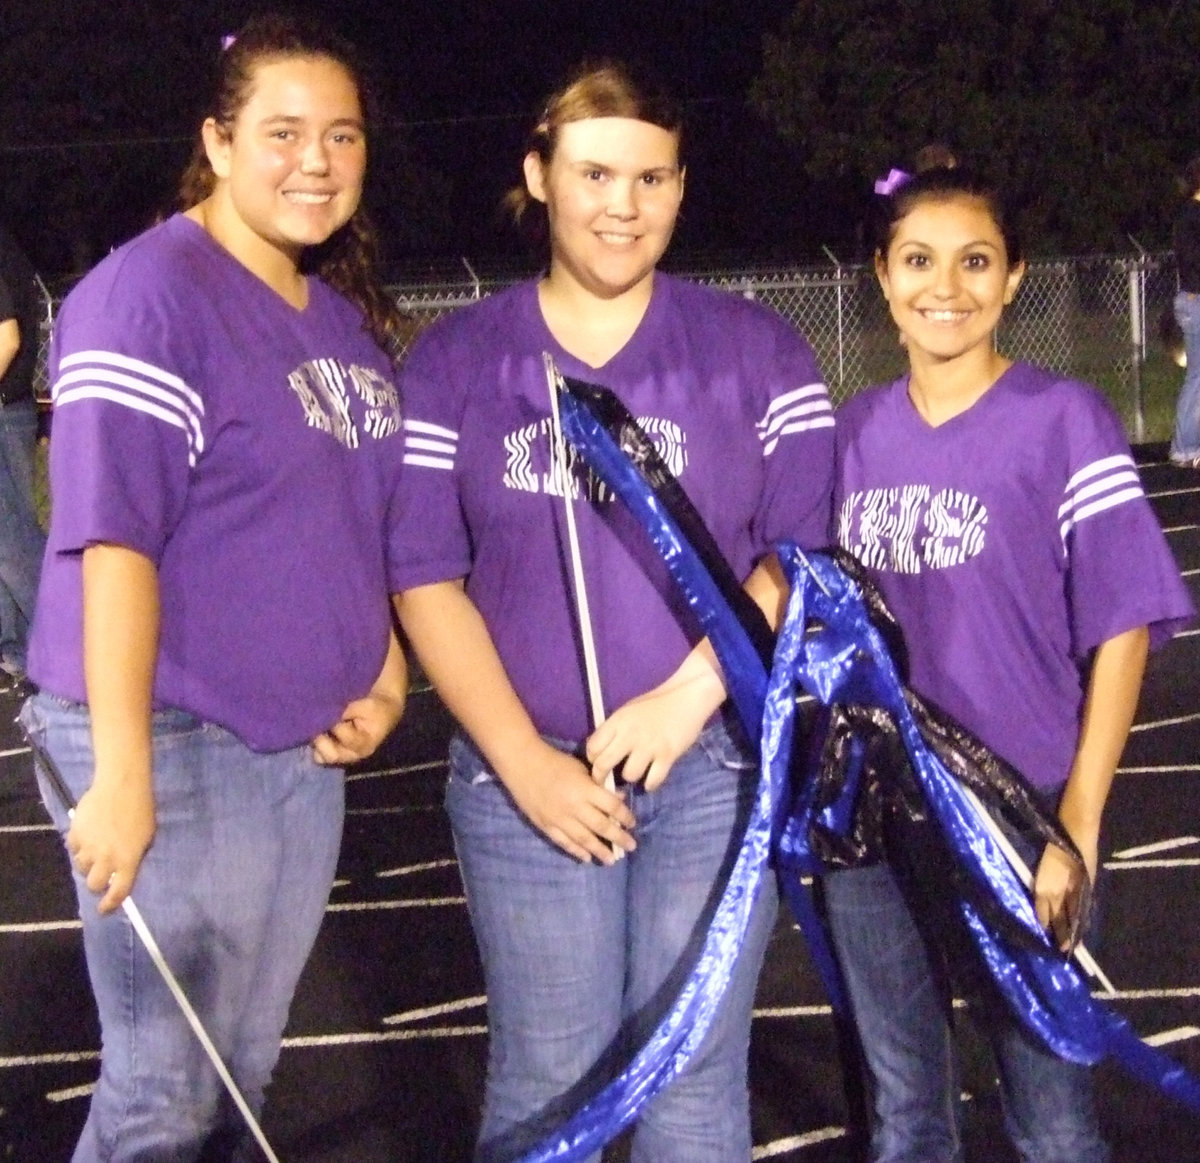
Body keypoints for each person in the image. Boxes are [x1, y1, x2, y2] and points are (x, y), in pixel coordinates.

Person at [390, 60, 834, 1162]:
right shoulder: (455, 362)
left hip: (715, 762)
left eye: (651, 177)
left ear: (681, 188)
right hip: (525, 768)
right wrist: (524, 763)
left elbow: (799, 555)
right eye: (595, 173)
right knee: (552, 1076)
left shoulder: (760, 352)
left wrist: (687, 700)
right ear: (539, 175)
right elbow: (422, 573)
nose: (622, 205)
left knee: (690, 1072)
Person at [19, 14, 409, 1160]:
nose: (317, 160)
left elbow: (361, 527)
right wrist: (126, 776)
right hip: (177, 738)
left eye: (342, 136)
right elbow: (114, 543)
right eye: (283, 131)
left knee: (239, 1074)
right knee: (163, 1094)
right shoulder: (147, 296)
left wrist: (382, 677)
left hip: (299, 752)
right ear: (218, 140)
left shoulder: (337, 319)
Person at [822, 163, 1194, 1162]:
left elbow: (1121, 624)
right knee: (907, 1114)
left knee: (1053, 1117)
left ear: (1014, 276)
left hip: (1018, 808)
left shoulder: (1063, 419)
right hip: (878, 810)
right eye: (919, 260)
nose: (947, 285)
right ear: (884, 276)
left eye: (976, 260)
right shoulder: (848, 436)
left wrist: (1076, 820)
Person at [0, 225, 46, 687]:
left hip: (3, 413)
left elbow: (6, 337)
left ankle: (54, 648)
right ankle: (15, 648)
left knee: (12, 540)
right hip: (11, 411)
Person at [1170, 156, 1200, 467]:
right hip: (1196, 300)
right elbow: (1192, 263)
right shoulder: (1192, 216)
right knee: (1197, 376)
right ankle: (1184, 448)